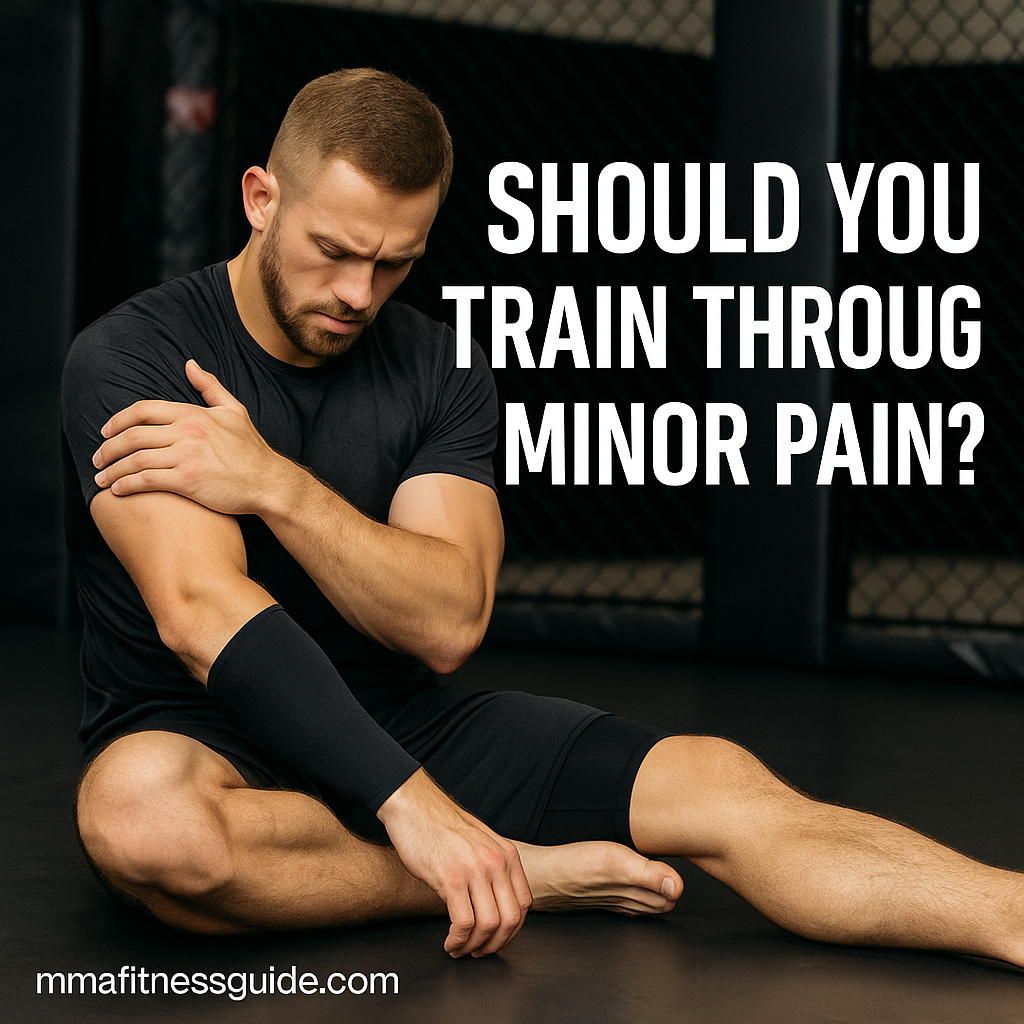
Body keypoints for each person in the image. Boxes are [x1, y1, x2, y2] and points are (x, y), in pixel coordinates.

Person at [63, 68, 1024, 966]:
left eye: (396, 263)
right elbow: (203, 615)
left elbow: (446, 622)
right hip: (208, 735)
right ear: (261, 200)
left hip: (403, 725)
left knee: (720, 782)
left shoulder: (439, 371)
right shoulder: (135, 360)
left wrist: (279, 483)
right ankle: (515, 870)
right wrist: (418, 814)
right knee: (143, 821)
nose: (359, 294)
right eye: (335, 251)